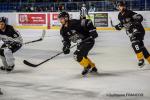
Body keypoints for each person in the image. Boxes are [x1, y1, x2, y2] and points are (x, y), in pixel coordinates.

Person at [114, 1, 150, 67]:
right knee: (141, 47)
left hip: (138, 30)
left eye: (121, 6)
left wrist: (133, 21)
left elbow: (140, 17)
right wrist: (118, 27)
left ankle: (140, 59)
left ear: (124, 6)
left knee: (134, 42)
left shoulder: (129, 12)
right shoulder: (119, 16)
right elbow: (123, 24)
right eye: (119, 6)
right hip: (131, 32)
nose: (120, 7)